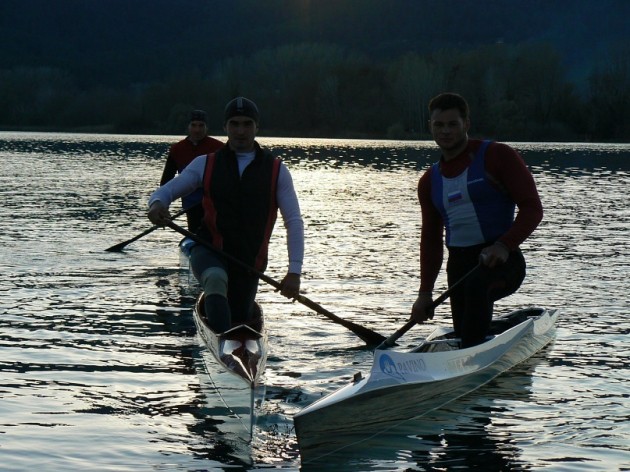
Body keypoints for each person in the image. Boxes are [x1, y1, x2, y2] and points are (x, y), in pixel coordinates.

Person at [148, 97, 304, 333]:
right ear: (225, 127)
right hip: (208, 247)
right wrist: (157, 204)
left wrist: (294, 271)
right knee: (215, 278)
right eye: (234, 124)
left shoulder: (276, 170)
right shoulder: (205, 164)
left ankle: (230, 329)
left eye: (247, 124)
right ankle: (222, 340)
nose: (240, 131)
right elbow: (167, 190)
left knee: (240, 313)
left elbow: (293, 222)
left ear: (256, 127)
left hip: (250, 261)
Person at [410, 92, 543, 347]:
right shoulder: (429, 182)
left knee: (476, 291)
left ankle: (472, 352)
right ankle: (471, 346)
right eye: (439, 125)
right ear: (431, 127)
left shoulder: (498, 156)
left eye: (452, 124)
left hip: (502, 259)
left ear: (466, 124)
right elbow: (430, 240)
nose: (445, 131)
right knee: (467, 329)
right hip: (459, 265)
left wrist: (504, 245)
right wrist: (424, 293)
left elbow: (532, 209)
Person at [160, 109, 223, 231]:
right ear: (188, 127)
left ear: (207, 127)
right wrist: (163, 206)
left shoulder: (219, 148)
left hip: (215, 205)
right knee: (195, 232)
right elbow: (166, 181)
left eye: (201, 126)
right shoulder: (177, 149)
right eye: (193, 125)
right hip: (191, 205)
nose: (197, 130)